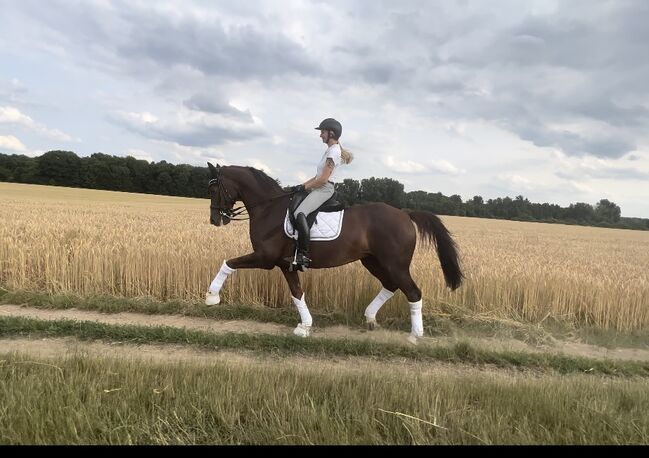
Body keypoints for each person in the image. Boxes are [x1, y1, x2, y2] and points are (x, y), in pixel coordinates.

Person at [287, 118, 353, 269]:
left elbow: (323, 179)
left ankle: (303, 255)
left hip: (325, 189)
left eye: (322, 132)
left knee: (300, 213)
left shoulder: (334, 152)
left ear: (331, 133)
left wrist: (304, 188)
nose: (320, 135)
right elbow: (317, 177)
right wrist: (301, 186)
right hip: (319, 186)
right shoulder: (330, 150)